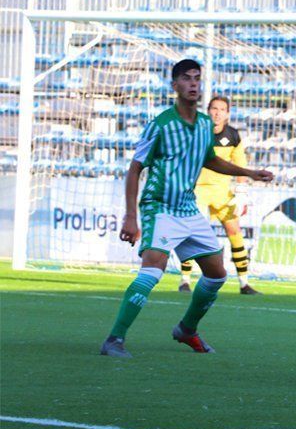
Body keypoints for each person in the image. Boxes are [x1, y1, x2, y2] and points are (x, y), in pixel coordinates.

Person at [100, 59, 273, 358]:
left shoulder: (205, 124)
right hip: (160, 207)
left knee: (217, 274)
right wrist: (131, 216)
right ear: (174, 86)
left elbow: (210, 159)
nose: (193, 83)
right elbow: (134, 169)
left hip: (187, 209)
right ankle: (114, 340)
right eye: (186, 79)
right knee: (151, 273)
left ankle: (186, 329)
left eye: (197, 78)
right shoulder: (161, 125)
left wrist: (249, 172)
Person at [179, 96, 259, 295]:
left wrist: (241, 193)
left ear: (228, 114)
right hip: (197, 190)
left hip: (222, 192)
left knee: (235, 232)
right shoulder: (197, 131)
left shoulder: (233, 136)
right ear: (208, 111)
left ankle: (244, 283)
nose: (217, 112)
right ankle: (185, 281)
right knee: (190, 232)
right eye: (214, 108)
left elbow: (240, 165)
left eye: (222, 109)